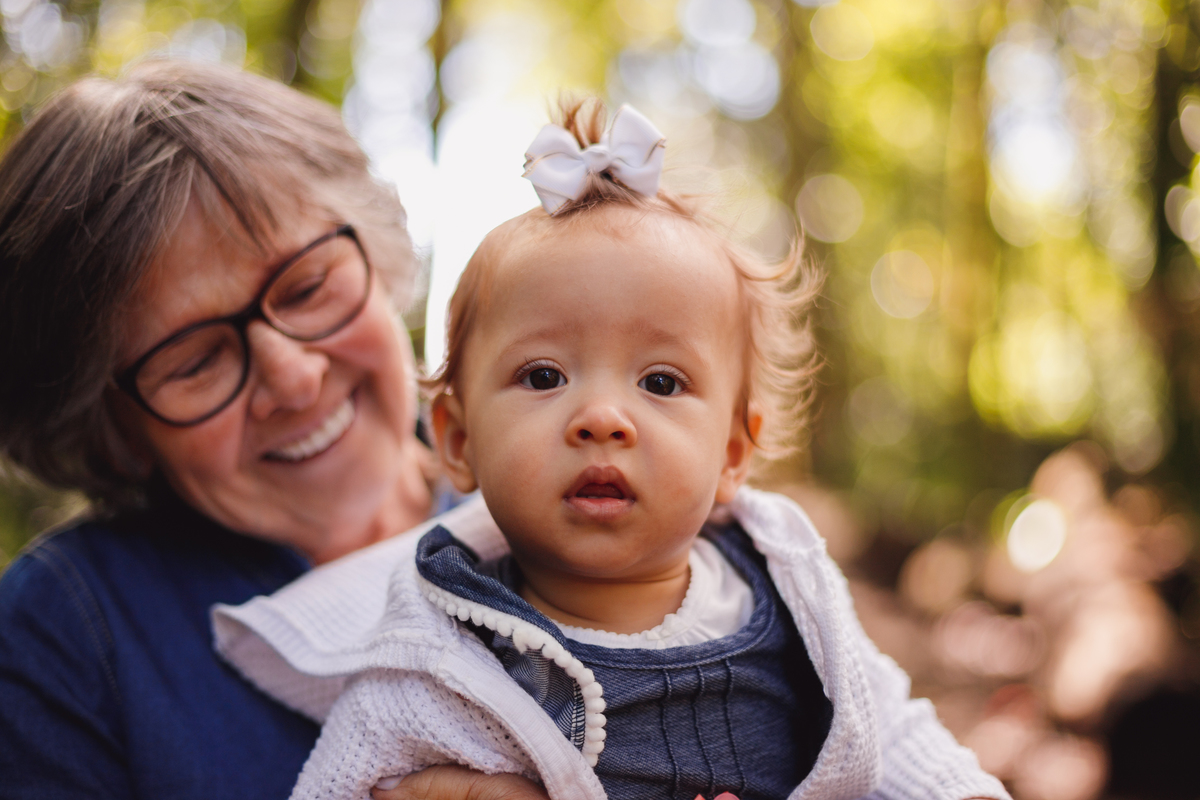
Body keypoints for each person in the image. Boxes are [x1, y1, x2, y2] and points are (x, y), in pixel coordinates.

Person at [213, 101, 1010, 800]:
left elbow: (889, 730)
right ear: (457, 441)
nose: (601, 418)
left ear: (734, 452)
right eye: (544, 374)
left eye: (661, 383)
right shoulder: (436, 664)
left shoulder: (789, 597)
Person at [0, 59, 547, 800]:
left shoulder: (581, 506)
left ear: (378, 258)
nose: (293, 380)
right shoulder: (64, 636)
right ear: (113, 427)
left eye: (309, 286)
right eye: (193, 361)